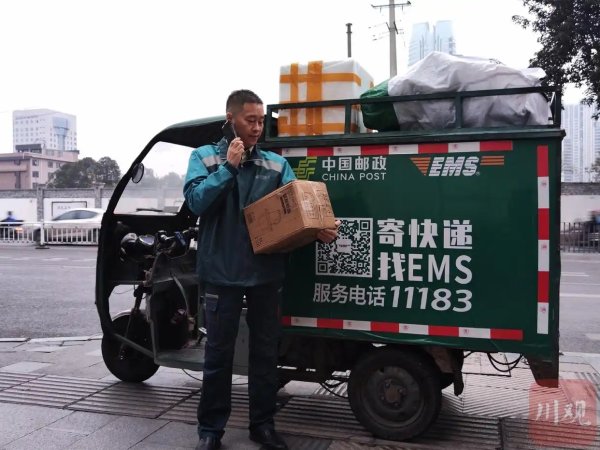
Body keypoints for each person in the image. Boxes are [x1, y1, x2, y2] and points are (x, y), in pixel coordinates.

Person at [183, 89, 339, 450]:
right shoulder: (204, 157)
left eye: (261, 120)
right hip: (221, 272)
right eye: (250, 120)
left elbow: (295, 211)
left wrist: (318, 228)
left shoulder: (275, 164)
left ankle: (263, 425)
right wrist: (228, 168)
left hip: (265, 273)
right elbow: (196, 202)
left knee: (266, 353)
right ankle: (210, 431)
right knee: (218, 355)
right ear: (230, 119)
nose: (257, 127)